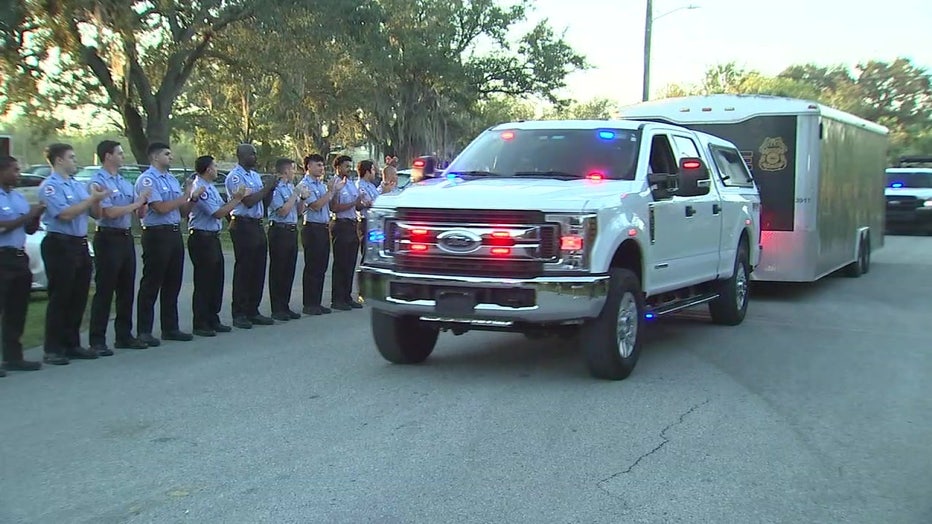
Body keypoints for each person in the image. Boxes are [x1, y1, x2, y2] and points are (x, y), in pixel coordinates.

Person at [38, 143, 108, 364]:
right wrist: (91, 199)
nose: (75, 161)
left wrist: (96, 200)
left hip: (79, 243)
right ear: (59, 160)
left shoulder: (77, 185)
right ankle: (53, 348)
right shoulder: (49, 187)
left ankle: (72, 343)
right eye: (71, 157)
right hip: (60, 244)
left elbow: (94, 214)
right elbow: (65, 214)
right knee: (61, 296)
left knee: (79, 295)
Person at [87, 140, 150, 356]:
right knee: (105, 290)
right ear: (107, 156)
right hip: (107, 238)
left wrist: (143, 205)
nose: (123, 156)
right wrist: (136, 204)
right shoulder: (98, 182)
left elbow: (138, 211)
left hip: (125, 237)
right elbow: (108, 213)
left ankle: (124, 335)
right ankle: (97, 339)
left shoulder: (124, 182)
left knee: (126, 288)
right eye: (119, 153)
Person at [134, 142, 200, 347]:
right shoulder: (147, 180)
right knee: (152, 282)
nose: (171, 157)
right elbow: (160, 208)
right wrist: (184, 196)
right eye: (167, 154)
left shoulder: (171, 179)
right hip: (156, 234)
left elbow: (181, 211)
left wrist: (191, 198)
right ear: (155, 157)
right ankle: (144, 330)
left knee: (173, 282)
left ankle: (170, 327)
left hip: (173, 233)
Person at [187, 155, 246, 337]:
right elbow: (217, 213)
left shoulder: (211, 188)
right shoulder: (200, 188)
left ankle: (213, 317)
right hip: (201, 237)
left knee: (216, 279)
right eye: (214, 166)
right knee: (204, 281)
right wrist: (237, 199)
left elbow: (223, 207)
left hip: (213, 237)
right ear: (207, 169)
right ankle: (201, 322)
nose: (216, 168)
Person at [0, 156, 44, 375]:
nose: (19, 174)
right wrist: (29, 214)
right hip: (2, 257)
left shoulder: (17, 197)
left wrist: (36, 216)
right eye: (15, 170)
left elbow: (28, 230)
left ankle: (13, 357)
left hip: (19, 257)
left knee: (17, 309)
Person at [225, 143, 277, 329]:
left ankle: (252, 310)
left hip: (256, 224)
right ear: (240, 155)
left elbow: (262, 202)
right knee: (244, 270)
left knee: (258, 269)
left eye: (255, 154)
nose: (254, 156)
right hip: (242, 225)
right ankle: (239, 312)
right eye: (251, 154)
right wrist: (266, 187)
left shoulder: (255, 176)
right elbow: (247, 201)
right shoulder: (235, 176)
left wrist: (270, 189)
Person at [297, 154, 343, 316]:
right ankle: (309, 303)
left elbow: (329, 205)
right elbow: (315, 205)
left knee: (322, 266)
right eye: (318, 165)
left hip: (323, 227)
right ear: (308, 166)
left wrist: (334, 192)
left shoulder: (321, 185)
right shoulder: (305, 185)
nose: (321, 168)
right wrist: (330, 192)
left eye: (322, 165)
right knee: (312, 266)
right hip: (312, 228)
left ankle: (316, 301)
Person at [267, 158, 308, 321]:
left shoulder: (291, 187)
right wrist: (295, 194)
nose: (294, 172)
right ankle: (277, 308)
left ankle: (285, 305)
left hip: (291, 230)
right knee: (279, 270)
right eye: (292, 169)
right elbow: (282, 211)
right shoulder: (276, 189)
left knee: (289, 270)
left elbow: (297, 212)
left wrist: (303, 199)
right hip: (279, 230)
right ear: (284, 171)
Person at [328, 155, 364, 311]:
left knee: (350, 263)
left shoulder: (350, 184)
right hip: (340, 225)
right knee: (341, 263)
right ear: (338, 167)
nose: (349, 170)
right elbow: (334, 207)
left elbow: (356, 207)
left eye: (350, 166)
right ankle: (337, 298)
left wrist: (361, 203)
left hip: (352, 224)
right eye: (346, 167)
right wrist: (353, 204)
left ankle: (347, 296)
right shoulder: (335, 184)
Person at [355, 160, 381, 260]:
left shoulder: (371, 186)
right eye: (373, 170)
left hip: (375, 222)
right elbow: (369, 202)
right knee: (367, 252)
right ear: (367, 172)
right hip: (366, 222)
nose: (375, 172)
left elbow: (378, 199)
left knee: (376, 251)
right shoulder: (360, 186)